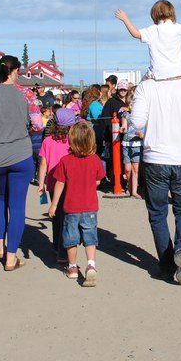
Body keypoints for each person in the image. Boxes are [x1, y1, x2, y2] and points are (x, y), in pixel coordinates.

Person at [130, 74, 181, 285]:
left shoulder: (146, 87)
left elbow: (136, 121)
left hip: (155, 158)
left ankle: (166, 265)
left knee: (157, 213)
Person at [0, 55, 44, 271]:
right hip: (20, 154)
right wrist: (24, 130)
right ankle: (12, 257)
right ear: (16, 71)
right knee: (16, 206)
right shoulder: (27, 95)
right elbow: (38, 125)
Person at [47, 122, 106, 286]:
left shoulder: (65, 161)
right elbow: (98, 181)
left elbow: (59, 184)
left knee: (71, 238)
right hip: (90, 206)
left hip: (71, 207)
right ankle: (91, 265)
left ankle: (72, 267)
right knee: (90, 237)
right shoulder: (95, 160)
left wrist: (53, 205)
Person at [115, 0, 181, 81]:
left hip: (160, 74)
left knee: (140, 88)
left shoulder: (152, 30)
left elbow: (135, 33)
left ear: (154, 14)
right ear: (172, 13)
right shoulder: (178, 28)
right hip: (180, 72)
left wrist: (125, 19)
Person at [37, 107, 76, 263]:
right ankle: (62, 252)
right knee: (67, 217)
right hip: (69, 183)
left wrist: (41, 183)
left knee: (56, 215)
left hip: (53, 183)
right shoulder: (73, 140)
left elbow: (43, 164)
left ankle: (56, 246)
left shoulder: (47, 141)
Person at [121, 86, 144, 198]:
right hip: (126, 144)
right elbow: (124, 126)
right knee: (127, 169)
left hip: (137, 145)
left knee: (135, 169)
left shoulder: (143, 116)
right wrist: (122, 129)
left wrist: (142, 135)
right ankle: (128, 187)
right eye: (129, 105)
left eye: (133, 105)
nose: (131, 107)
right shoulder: (125, 114)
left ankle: (134, 191)